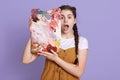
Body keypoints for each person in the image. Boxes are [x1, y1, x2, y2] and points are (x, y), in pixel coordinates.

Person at [22, 5, 88, 80]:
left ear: (74, 20)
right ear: (57, 20)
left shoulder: (82, 41)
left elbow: (79, 72)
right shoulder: (48, 38)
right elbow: (26, 60)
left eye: (69, 17)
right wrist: (33, 32)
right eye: (61, 17)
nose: (66, 21)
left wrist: (56, 59)